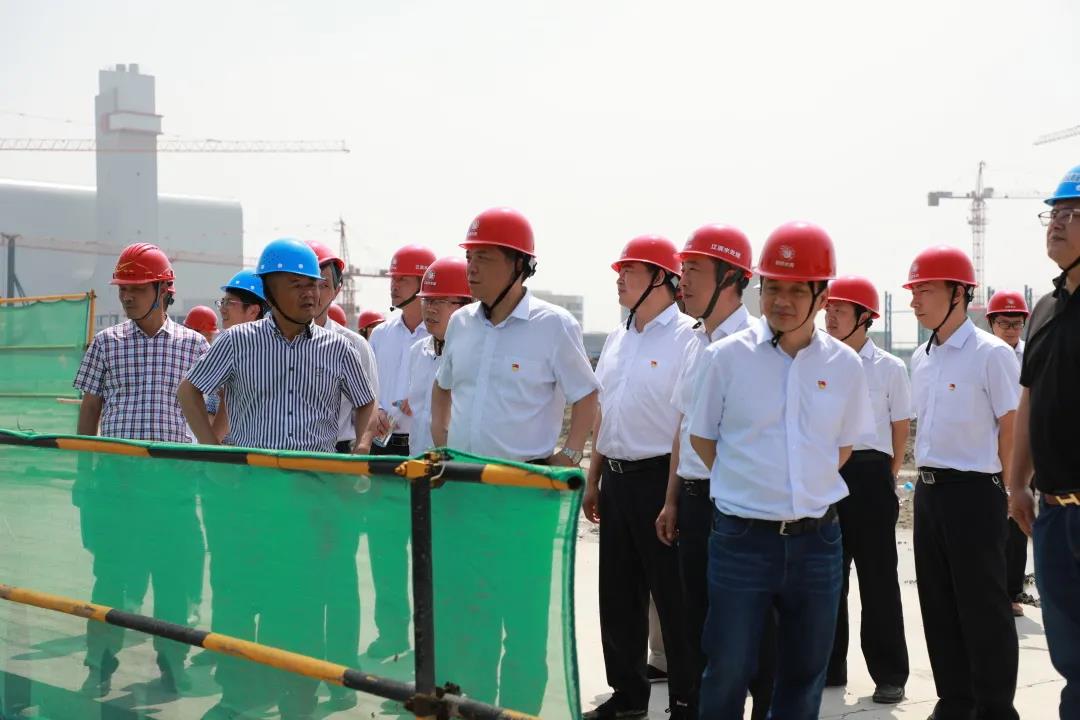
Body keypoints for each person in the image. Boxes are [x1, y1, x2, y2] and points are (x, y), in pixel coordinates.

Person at [177, 237, 376, 720]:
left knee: (300, 604)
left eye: (314, 284)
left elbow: (367, 402)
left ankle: (297, 699)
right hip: (246, 497)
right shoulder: (237, 342)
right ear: (269, 289)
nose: (310, 293)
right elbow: (190, 392)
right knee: (238, 597)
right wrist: (213, 453)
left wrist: (362, 447)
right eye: (297, 284)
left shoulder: (339, 348)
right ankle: (239, 694)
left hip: (311, 499)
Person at [688, 221, 873, 720]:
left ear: (822, 296)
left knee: (804, 673)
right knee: (727, 667)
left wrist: (801, 487)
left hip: (818, 543)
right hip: (741, 541)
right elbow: (702, 436)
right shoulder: (725, 359)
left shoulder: (845, 366)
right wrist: (748, 485)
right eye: (773, 288)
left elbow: (843, 446)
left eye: (796, 291)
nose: (781, 302)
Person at [430, 207, 599, 714]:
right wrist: (441, 440)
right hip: (464, 489)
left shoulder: (554, 326)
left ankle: (520, 711)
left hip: (526, 492)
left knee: (523, 620)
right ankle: (477, 709)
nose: (471, 268)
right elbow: (441, 387)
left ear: (519, 265)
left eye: (483, 257)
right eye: (469, 257)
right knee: (471, 615)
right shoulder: (462, 324)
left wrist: (567, 456)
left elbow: (587, 396)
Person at [72, 243, 210, 697]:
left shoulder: (194, 345)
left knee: (173, 581)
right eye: (122, 289)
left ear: (164, 290)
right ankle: (99, 665)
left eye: (136, 288)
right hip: (118, 484)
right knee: (111, 579)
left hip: (174, 487)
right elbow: (89, 409)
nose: (127, 297)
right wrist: (84, 472)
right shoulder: (106, 344)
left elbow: (213, 410)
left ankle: (172, 664)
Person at [653, 224, 775, 720]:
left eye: (694, 269)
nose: (681, 279)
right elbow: (683, 426)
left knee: (752, 623)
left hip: (740, 503)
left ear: (731, 277)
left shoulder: (758, 344)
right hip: (695, 500)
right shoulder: (693, 342)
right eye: (682, 269)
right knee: (697, 618)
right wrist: (672, 499)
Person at [581, 235, 696, 720]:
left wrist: (672, 498)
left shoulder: (688, 337)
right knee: (619, 595)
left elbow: (684, 424)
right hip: (617, 481)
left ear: (662, 279)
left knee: (675, 599)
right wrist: (593, 478)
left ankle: (687, 700)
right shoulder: (617, 338)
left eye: (630, 270)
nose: (619, 279)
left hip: (661, 481)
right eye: (620, 270)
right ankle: (628, 697)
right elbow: (604, 413)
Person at [906, 245, 1020, 720]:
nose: (914, 301)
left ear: (958, 293)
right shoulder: (921, 357)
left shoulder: (991, 355)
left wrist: (1007, 491)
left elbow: (1012, 426)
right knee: (938, 603)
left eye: (925, 290)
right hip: (929, 492)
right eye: (913, 291)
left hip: (975, 492)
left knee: (983, 607)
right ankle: (955, 702)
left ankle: (995, 709)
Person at [1009, 165, 1080, 720]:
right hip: (1053, 514)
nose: (1056, 223)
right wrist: (1017, 484)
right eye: (1052, 213)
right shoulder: (1045, 310)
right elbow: (1029, 398)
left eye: (1071, 213)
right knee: (1070, 656)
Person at [823, 275, 910, 703]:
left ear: (865, 317)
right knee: (826, 578)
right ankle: (828, 667)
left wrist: (886, 477)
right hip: (827, 476)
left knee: (878, 580)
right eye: (828, 309)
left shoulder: (890, 368)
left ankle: (889, 674)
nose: (830, 316)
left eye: (840, 310)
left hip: (872, 476)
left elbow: (900, 430)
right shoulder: (816, 362)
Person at [985, 289, 1033, 617]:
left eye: (1017, 324)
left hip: (1023, 446)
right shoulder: (983, 354)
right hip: (987, 445)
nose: (1011, 330)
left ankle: (1012, 590)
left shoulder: (1031, 354)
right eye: (1004, 323)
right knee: (987, 519)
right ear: (991, 323)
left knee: (1016, 519)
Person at [368, 244, 437, 457]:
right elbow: (367, 384)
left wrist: (422, 400)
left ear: (423, 284)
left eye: (402, 279)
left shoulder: (440, 337)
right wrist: (377, 410)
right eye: (393, 279)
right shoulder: (380, 334)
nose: (394, 286)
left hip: (423, 447)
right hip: (380, 444)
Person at [402, 256, 472, 454]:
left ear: (467, 306)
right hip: (418, 463)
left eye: (440, 301)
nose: (430, 308)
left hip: (456, 466)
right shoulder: (417, 352)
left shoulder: (474, 357)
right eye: (426, 300)